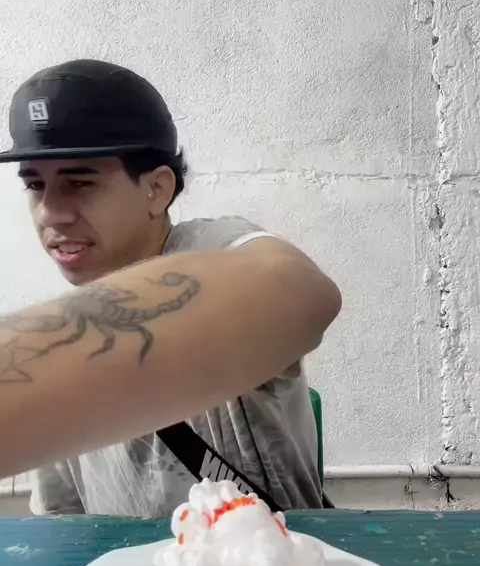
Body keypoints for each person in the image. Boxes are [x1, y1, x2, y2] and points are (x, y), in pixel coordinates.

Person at [0, 59, 341, 515]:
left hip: (270, 555)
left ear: (157, 189)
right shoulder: (66, 341)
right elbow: (63, 524)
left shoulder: (211, 251)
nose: (50, 213)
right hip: (125, 565)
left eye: (79, 182)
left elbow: (304, 291)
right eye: (35, 186)